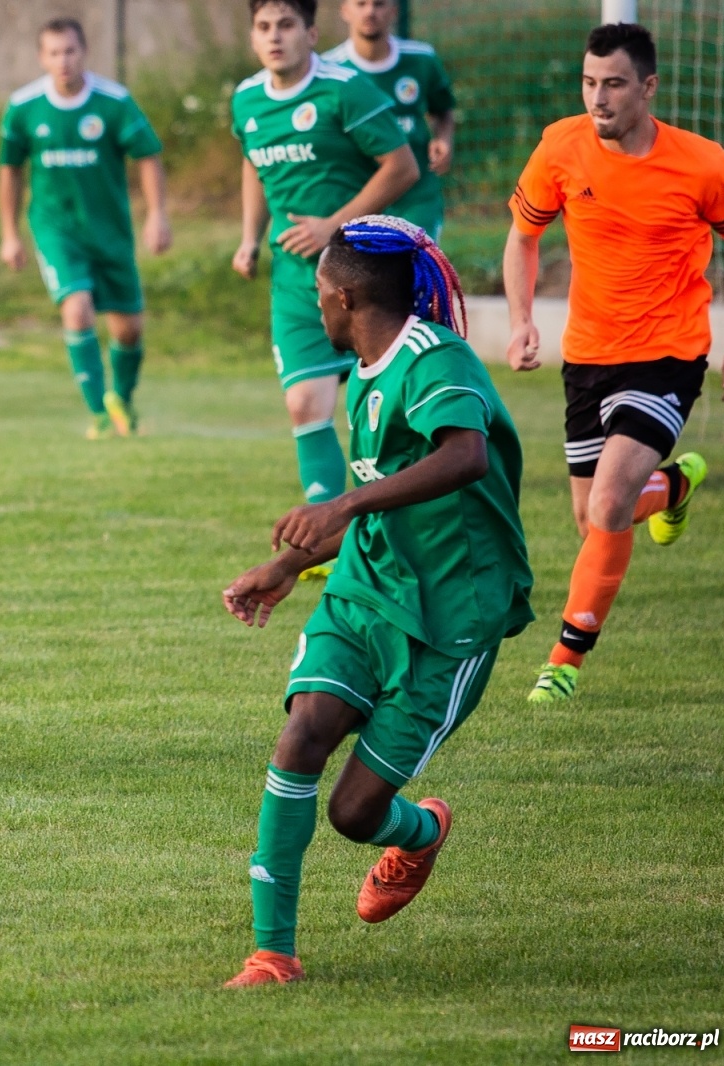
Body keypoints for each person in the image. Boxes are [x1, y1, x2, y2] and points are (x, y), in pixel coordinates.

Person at [220, 217, 532, 986]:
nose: (315, 307)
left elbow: (465, 456)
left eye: (318, 294)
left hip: (452, 617)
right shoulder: (363, 371)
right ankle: (273, 953)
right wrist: (287, 566)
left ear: (346, 298)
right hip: (365, 592)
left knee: (353, 814)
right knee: (301, 738)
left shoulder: (435, 358)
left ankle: (419, 831)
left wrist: (344, 502)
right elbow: (378, 505)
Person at [505, 23, 724, 703]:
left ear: (648, 88)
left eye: (613, 84)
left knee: (609, 503)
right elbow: (522, 236)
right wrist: (521, 320)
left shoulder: (704, 165)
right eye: (588, 82)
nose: (597, 98)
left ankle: (564, 659)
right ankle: (673, 486)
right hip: (587, 356)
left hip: (668, 353)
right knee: (593, 520)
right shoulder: (561, 147)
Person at [233, 0, 419, 520]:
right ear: (253, 38)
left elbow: (402, 167)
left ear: (311, 33)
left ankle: (407, 516)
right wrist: (249, 238)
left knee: (384, 411)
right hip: (296, 283)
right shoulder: (247, 99)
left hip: (364, 279)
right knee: (304, 405)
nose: (275, 37)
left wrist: (332, 225)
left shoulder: (344, 90)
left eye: (286, 25)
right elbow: (252, 164)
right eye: (264, 27)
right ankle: (329, 533)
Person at [0, 16, 171, 439]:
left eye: (70, 51)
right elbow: (10, 170)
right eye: (54, 53)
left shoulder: (114, 102)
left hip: (110, 231)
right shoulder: (24, 107)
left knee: (128, 329)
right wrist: (10, 234)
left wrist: (157, 214)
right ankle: (98, 413)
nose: (63, 61)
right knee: (76, 309)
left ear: (84, 52)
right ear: (42, 58)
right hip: (57, 229)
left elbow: (148, 156)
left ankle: (121, 403)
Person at [322, 0, 456, 239]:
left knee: (412, 259)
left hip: (416, 196)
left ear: (394, 11)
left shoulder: (421, 59)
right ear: (345, 10)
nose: (370, 12)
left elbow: (443, 109)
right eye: (361, 4)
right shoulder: (330, 70)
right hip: (358, 197)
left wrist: (443, 138)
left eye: (379, 4)